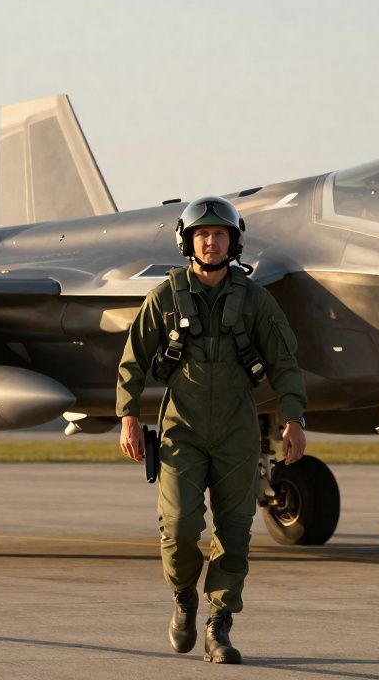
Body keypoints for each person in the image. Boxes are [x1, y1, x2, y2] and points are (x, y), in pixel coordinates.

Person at [116, 196, 308, 664]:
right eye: (202, 234)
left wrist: (294, 419)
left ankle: (218, 625)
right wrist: (128, 416)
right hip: (181, 430)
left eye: (220, 234)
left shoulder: (255, 301)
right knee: (179, 526)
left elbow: (284, 363)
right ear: (187, 242)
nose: (211, 242)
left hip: (236, 433)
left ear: (233, 241)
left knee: (235, 532)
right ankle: (184, 596)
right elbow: (133, 359)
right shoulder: (165, 297)